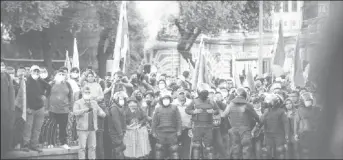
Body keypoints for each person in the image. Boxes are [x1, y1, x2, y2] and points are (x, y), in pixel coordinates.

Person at [221, 88, 261, 159]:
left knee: (235, 150)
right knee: (246, 150)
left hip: (234, 130)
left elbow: (223, 116)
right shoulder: (247, 105)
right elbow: (257, 117)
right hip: (245, 131)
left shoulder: (230, 105)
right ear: (245, 96)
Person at [186, 83, 220, 159]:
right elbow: (187, 110)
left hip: (208, 126)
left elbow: (217, 110)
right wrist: (194, 112)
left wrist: (213, 112)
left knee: (209, 147)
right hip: (197, 126)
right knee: (196, 146)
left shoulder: (211, 101)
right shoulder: (194, 101)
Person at [22, 65, 51, 152]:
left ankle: (34, 145)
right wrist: (27, 107)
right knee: (28, 127)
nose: (36, 73)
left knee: (37, 128)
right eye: (34, 71)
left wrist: (45, 96)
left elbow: (49, 87)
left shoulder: (41, 81)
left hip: (40, 108)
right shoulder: (26, 81)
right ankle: (25, 145)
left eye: (38, 71)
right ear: (31, 72)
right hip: (30, 108)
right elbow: (24, 96)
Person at [73, 86, 106, 159]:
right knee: (82, 148)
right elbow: (75, 112)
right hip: (82, 129)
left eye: (88, 92)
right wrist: (85, 110)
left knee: (92, 147)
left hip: (92, 128)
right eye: (86, 92)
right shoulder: (78, 102)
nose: (87, 93)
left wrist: (102, 113)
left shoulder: (94, 102)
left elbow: (99, 110)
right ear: (82, 93)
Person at [47, 69, 73, 149]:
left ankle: (63, 142)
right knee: (52, 126)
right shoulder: (51, 84)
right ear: (56, 75)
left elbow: (71, 95)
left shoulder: (68, 84)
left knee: (63, 127)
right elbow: (46, 95)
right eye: (59, 74)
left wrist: (71, 107)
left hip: (64, 110)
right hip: (53, 109)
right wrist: (46, 107)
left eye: (63, 74)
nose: (61, 75)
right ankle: (50, 142)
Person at [151, 92, 182, 159]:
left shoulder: (174, 108)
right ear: (161, 100)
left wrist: (179, 130)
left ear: (170, 99)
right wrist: (153, 132)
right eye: (164, 99)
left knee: (174, 150)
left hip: (172, 133)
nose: (166, 100)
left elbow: (178, 120)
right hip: (160, 133)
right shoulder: (158, 109)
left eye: (167, 98)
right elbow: (154, 121)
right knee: (159, 150)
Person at [260, 93, 289, 159]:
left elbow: (286, 123)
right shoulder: (266, 111)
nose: (269, 103)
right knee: (268, 151)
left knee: (280, 151)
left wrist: (286, 134)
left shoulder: (281, 111)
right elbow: (261, 121)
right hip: (268, 134)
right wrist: (264, 115)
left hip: (279, 134)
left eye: (271, 101)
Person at [294, 92, 321, 159]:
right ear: (303, 101)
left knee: (315, 151)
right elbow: (296, 122)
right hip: (304, 133)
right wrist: (295, 134)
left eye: (310, 100)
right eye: (307, 100)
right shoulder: (299, 110)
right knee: (305, 151)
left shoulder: (316, 109)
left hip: (314, 133)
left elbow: (320, 121)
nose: (309, 102)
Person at [1, 60, 16, 157]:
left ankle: (5, 150)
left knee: (6, 130)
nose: (1, 66)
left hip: (6, 110)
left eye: (2, 65)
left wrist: (11, 108)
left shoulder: (7, 77)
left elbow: (12, 93)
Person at [172, 88, 192, 159]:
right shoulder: (173, 104)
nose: (182, 95)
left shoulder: (191, 102)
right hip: (176, 129)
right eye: (180, 93)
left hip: (188, 129)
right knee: (175, 147)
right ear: (177, 95)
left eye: (183, 93)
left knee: (187, 147)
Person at [108, 91, 127, 159]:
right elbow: (116, 121)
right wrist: (120, 132)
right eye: (120, 99)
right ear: (116, 99)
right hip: (116, 132)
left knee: (121, 147)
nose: (122, 100)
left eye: (123, 99)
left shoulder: (120, 107)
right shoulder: (114, 107)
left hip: (120, 131)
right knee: (120, 147)